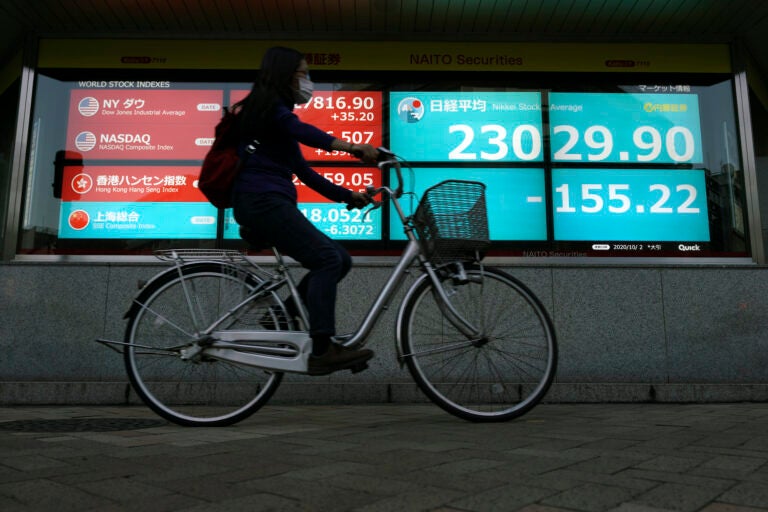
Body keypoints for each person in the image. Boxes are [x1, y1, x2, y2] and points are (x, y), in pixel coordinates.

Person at [231, 46, 378, 376]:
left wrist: (348, 197)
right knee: (327, 259)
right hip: (263, 202)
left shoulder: (272, 118)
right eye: (304, 73)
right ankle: (322, 350)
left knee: (340, 258)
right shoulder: (270, 109)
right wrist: (351, 146)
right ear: (286, 75)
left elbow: (307, 172)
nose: (308, 81)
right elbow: (303, 131)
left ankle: (280, 315)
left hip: (265, 203)